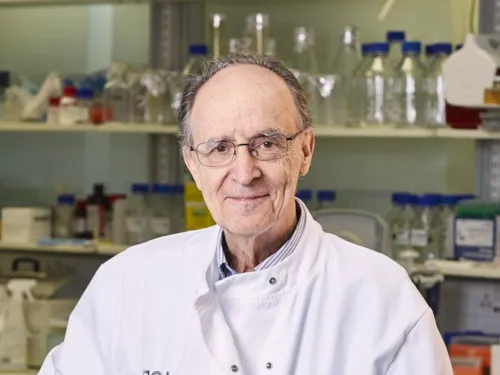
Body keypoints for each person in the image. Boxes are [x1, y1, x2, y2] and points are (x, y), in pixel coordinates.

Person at [38, 53, 452, 375]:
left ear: (304, 151)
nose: (244, 172)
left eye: (266, 143)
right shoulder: (126, 284)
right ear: (192, 164)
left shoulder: (382, 297)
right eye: (219, 148)